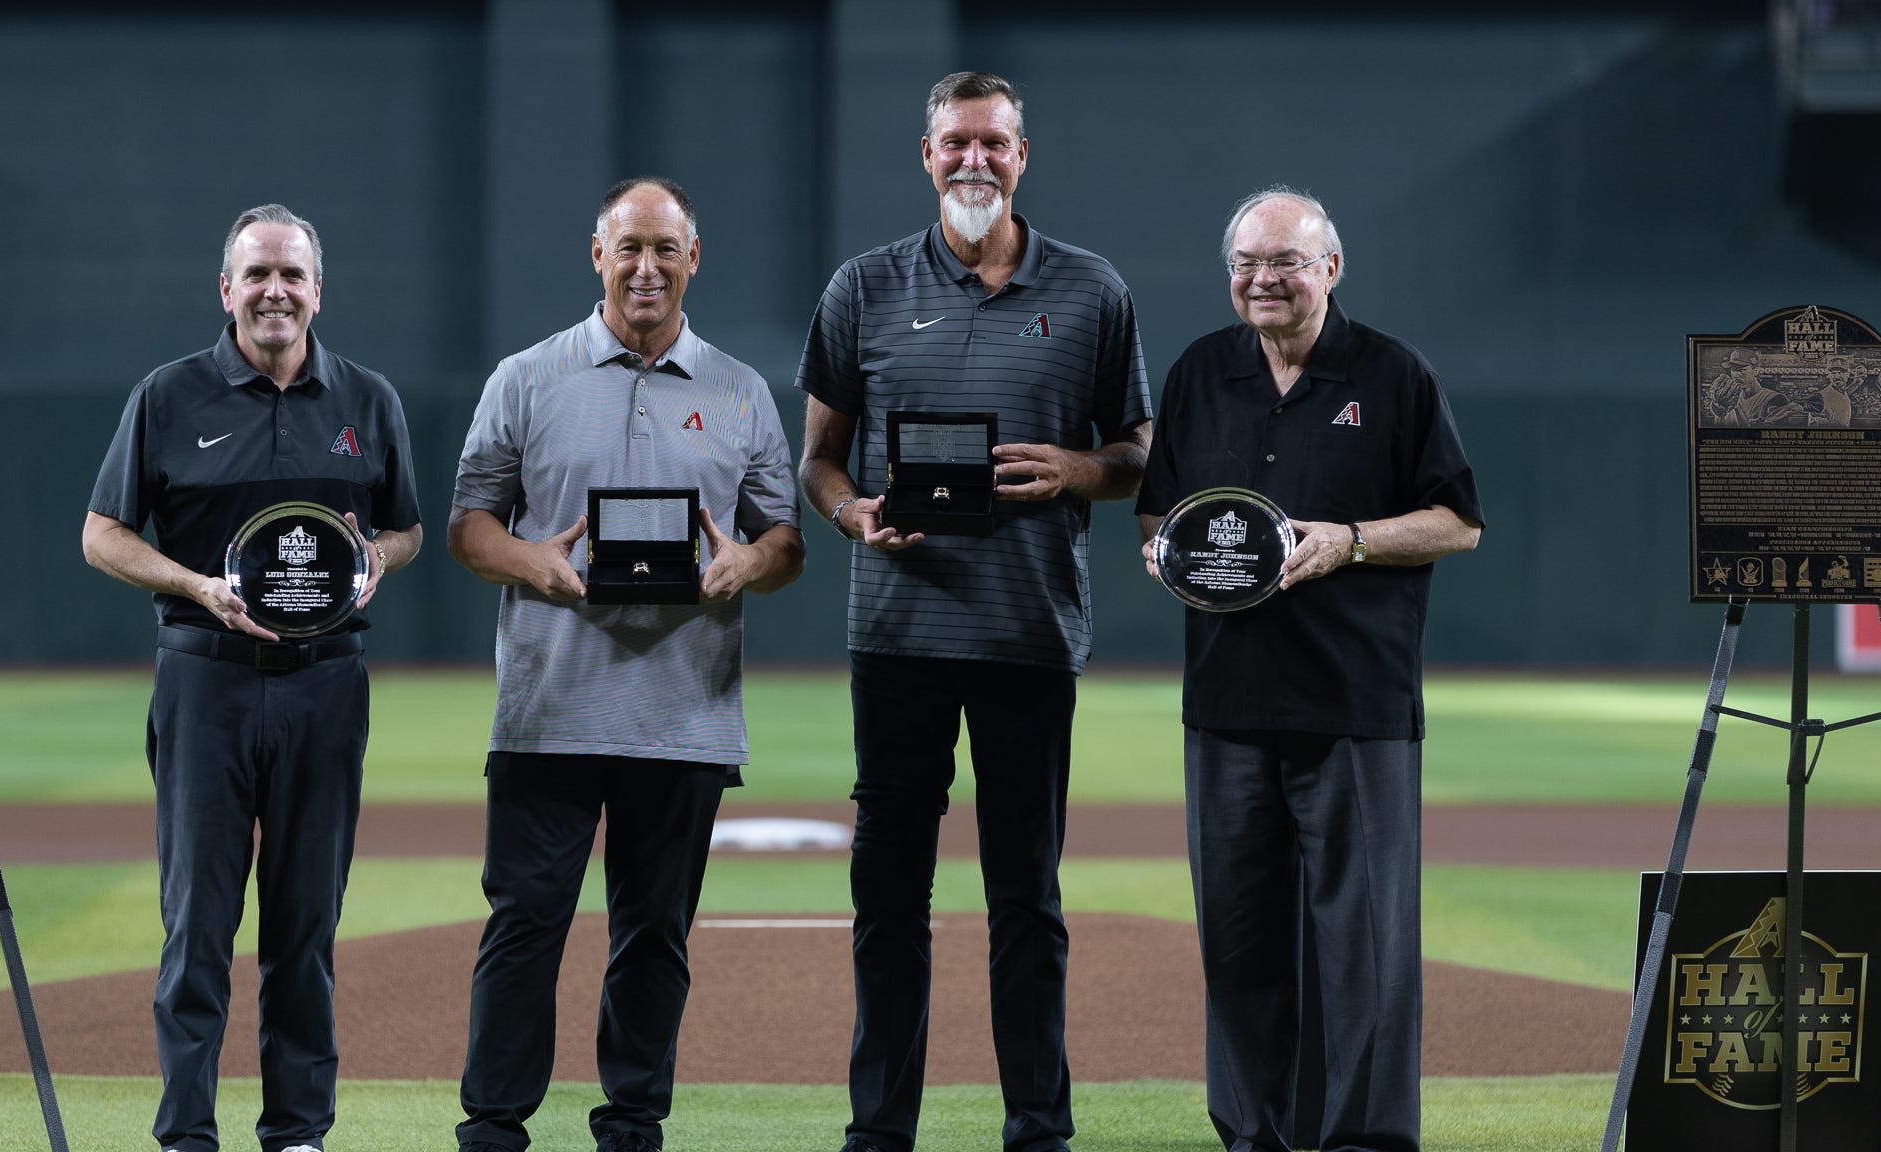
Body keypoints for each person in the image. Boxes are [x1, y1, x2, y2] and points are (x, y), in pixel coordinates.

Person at [796, 71, 1152, 1152]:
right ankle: (879, 1132)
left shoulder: (1091, 290)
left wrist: (1076, 470)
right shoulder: (861, 287)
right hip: (897, 636)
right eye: (956, 142)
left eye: (994, 143)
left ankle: (1037, 1129)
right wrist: (853, 513)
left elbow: (1137, 456)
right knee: (889, 903)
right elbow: (817, 460)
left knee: (1025, 905)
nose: (974, 161)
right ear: (926, 154)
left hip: (1028, 637)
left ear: (1021, 156)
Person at [450, 177, 804, 1152]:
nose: (646, 268)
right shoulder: (525, 377)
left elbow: (785, 543)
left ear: (694, 259)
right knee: (524, 924)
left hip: (684, 714)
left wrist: (747, 562)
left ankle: (632, 1127)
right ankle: (492, 1129)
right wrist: (534, 562)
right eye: (628, 249)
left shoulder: (739, 391)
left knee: (654, 936)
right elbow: (469, 526)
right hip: (548, 709)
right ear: (596, 256)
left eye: (665, 250)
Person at [1135, 186, 1482, 1152]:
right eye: (1246, 263)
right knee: (1238, 939)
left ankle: (1365, 1139)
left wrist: (1353, 542)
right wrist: (1173, 558)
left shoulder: (1392, 374)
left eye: (1284, 261)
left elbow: (1458, 522)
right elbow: (1156, 520)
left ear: (1330, 268)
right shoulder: (1201, 372)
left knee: (1362, 944)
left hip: (1353, 701)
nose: (1262, 279)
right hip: (1227, 700)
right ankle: (1254, 1134)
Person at [83, 202, 423, 1152]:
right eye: (257, 274)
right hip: (207, 678)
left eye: (293, 274)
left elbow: (405, 527)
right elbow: (100, 533)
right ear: (226, 289)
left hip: (326, 681)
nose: (276, 290)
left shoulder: (368, 398)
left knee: (306, 926)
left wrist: (377, 560)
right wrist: (196, 583)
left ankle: (298, 1134)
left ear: (318, 291)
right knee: (197, 927)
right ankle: (188, 1133)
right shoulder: (169, 394)